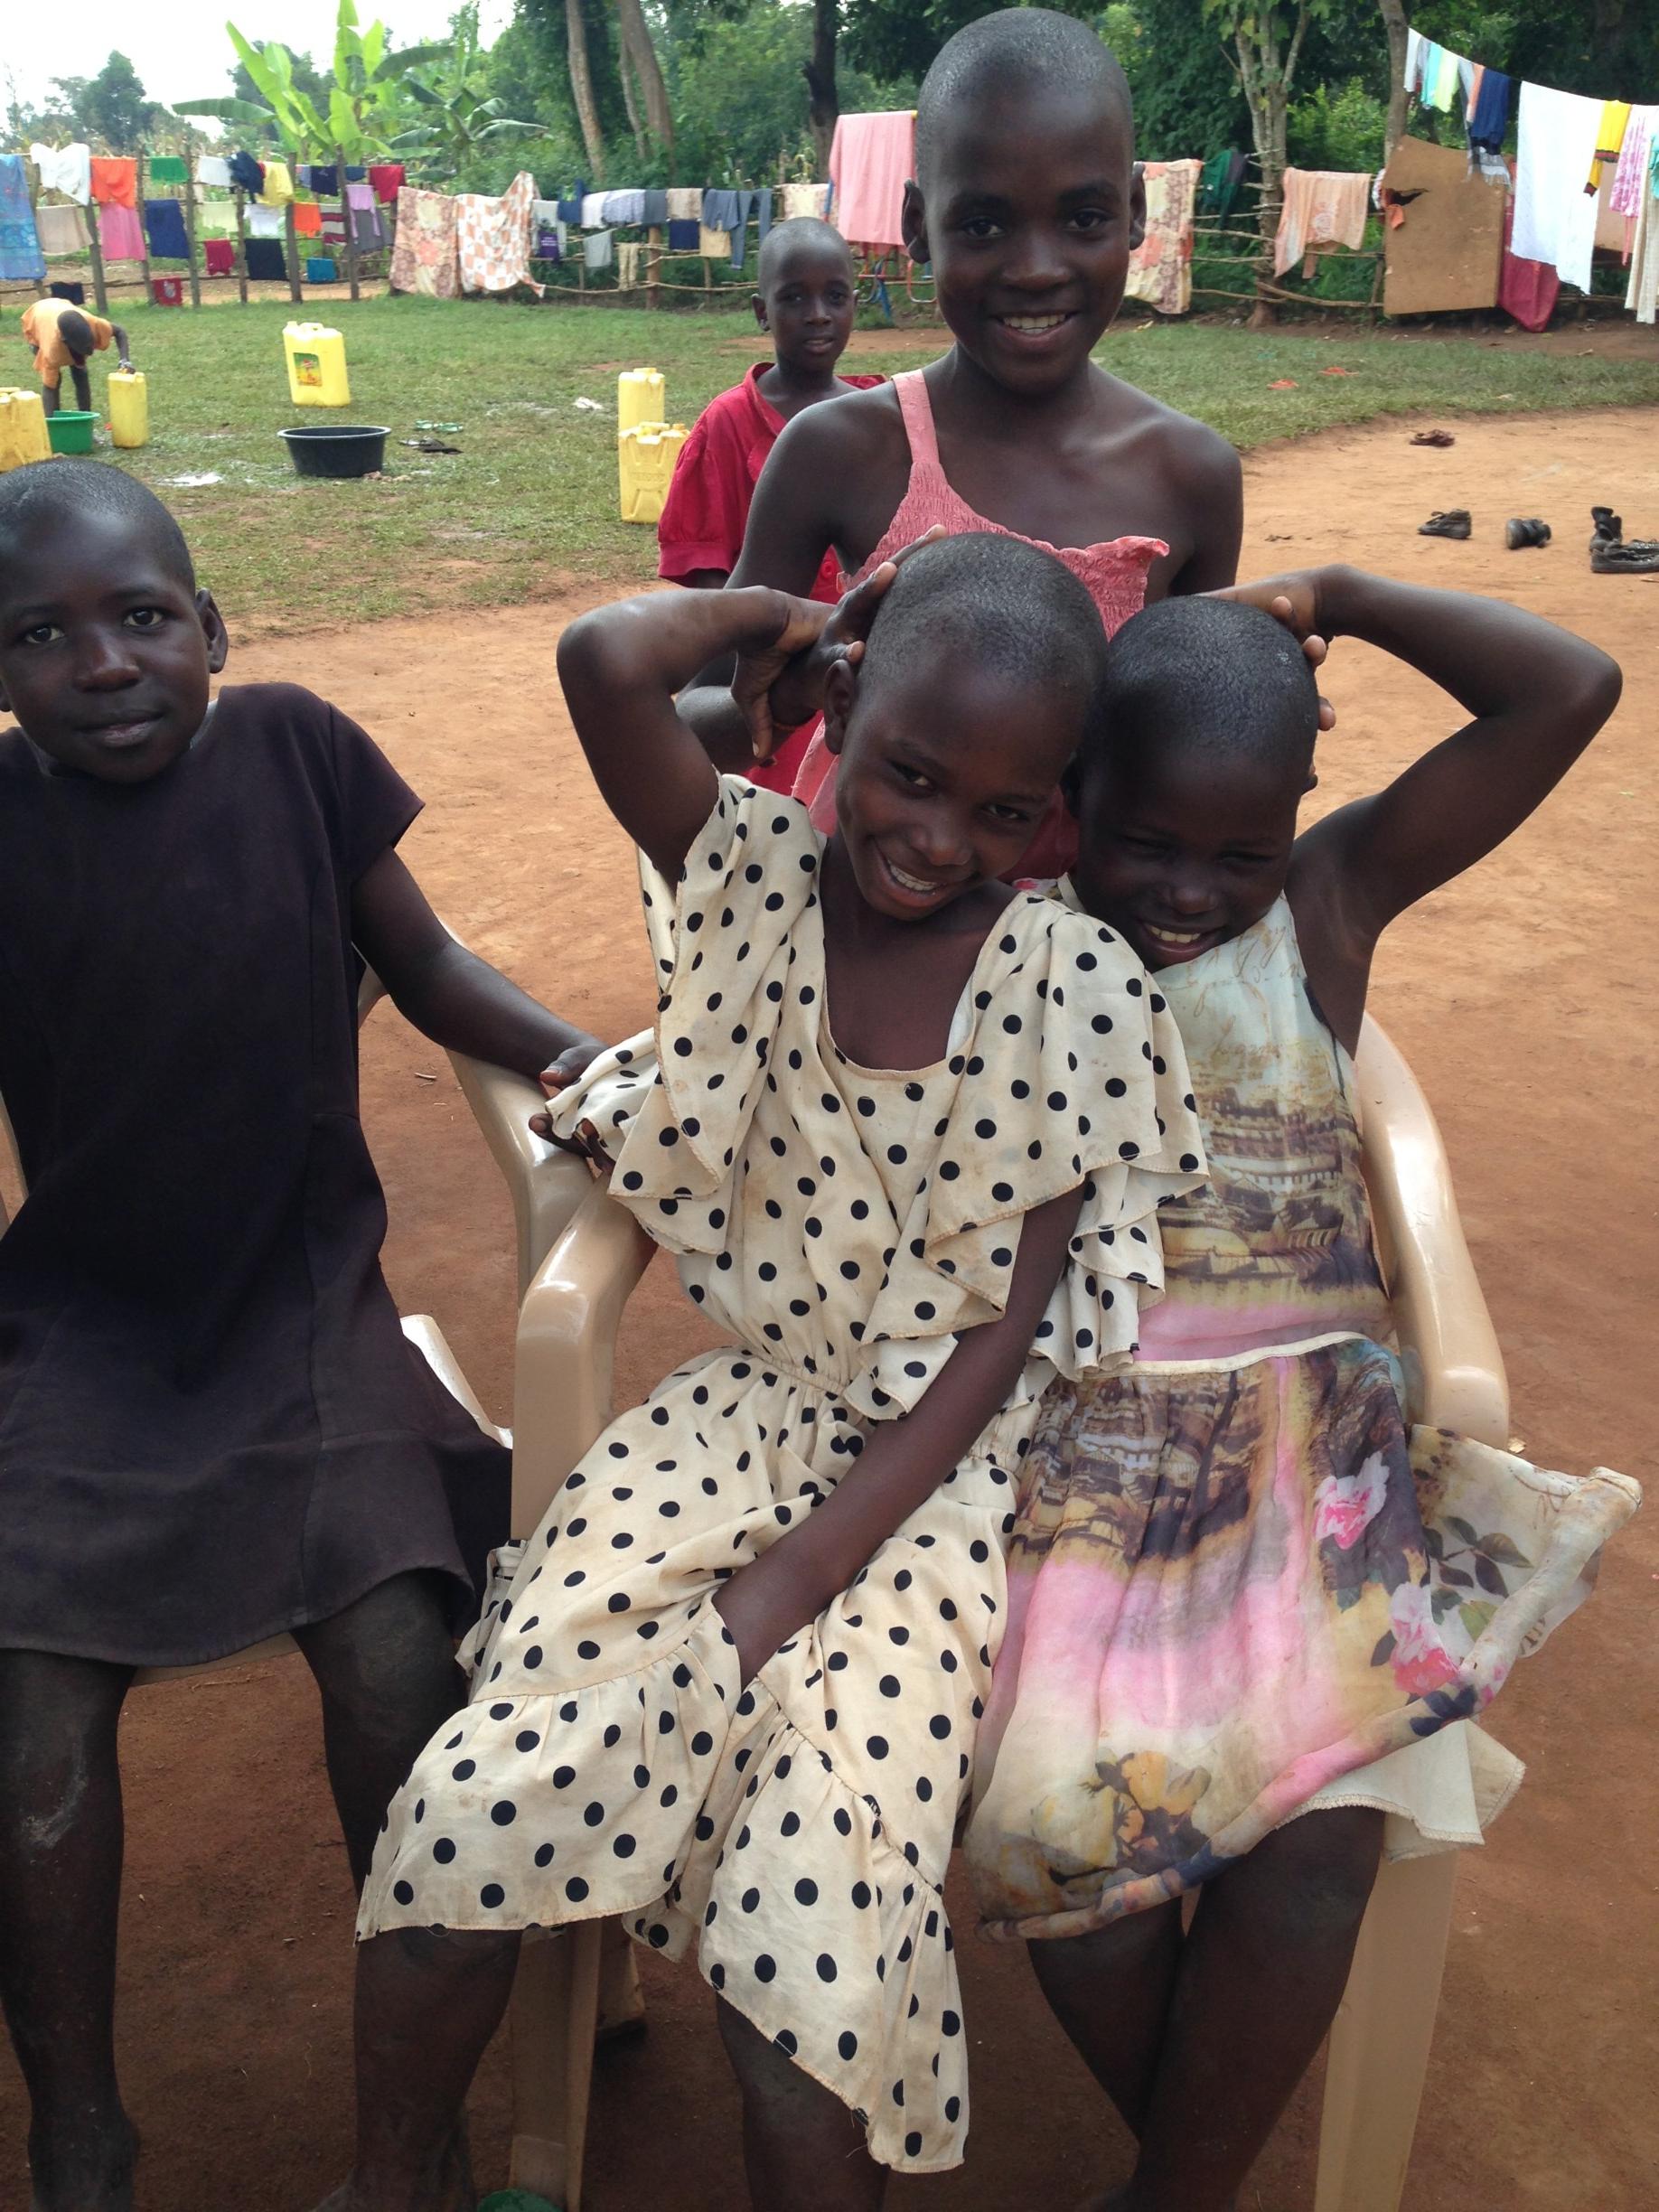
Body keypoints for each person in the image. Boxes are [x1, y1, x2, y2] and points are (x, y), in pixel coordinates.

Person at [324, 533, 1206, 2212]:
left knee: (809, 1952)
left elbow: (998, 1345)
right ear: (845, 711)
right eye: (911, 773)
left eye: (1004, 811)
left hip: (936, 1492)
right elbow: (605, 660)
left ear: (1054, 813)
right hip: (733, 1426)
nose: (937, 839)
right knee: (470, 1803)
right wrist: (804, 619)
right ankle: (389, 2181)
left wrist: (795, 1581)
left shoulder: (1074, 987)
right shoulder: (750, 876)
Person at [964, 572, 1641, 2212]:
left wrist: (1339, 596)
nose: (1190, 892)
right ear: (1073, 793)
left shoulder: (1322, 910)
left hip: (1307, 1464)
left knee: (1326, 1833)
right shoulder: (1001, 924)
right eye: (1147, 841)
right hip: (1077, 1466)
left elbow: (1568, 687)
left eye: (1240, 852)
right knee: (1061, 1851)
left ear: (1298, 822)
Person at [0, 460, 600, 2212]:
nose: (103, 663)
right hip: (83, 1332)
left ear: (211, 626)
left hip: (303, 1305)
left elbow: (429, 970)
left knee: (399, 1656)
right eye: (41, 636)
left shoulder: (296, 753)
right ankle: (77, 2131)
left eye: (141, 617)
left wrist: (586, 1058)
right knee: (27, 1703)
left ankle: (409, 2142)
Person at [675, 8, 1246, 877]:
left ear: (1135, 210)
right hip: (859, 934)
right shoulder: (837, 451)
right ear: (916, 223)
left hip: (1089, 950)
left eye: (1084, 217)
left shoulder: (1192, 477)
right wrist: (789, 697)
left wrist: (1255, 719)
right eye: (982, 225)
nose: (1037, 268)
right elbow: (692, 721)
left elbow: (1182, 757)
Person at [655, 217, 884, 792]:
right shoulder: (728, 425)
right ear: (762, 312)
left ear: (855, 305)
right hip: (769, 685)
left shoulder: (882, 414)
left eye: (835, 296)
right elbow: (711, 593)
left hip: (867, 682)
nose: (818, 314)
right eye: (794, 298)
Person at [19, 296, 132, 417]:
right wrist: (50, 423)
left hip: (60, 305)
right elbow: (49, 388)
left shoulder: (93, 323)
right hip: (36, 318)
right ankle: (56, 420)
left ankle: (85, 415)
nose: (90, 352)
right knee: (54, 380)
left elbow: (120, 332)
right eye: (83, 348)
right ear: (65, 342)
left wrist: (124, 360)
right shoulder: (51, 350)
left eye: (90, 343)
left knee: (80, 373)